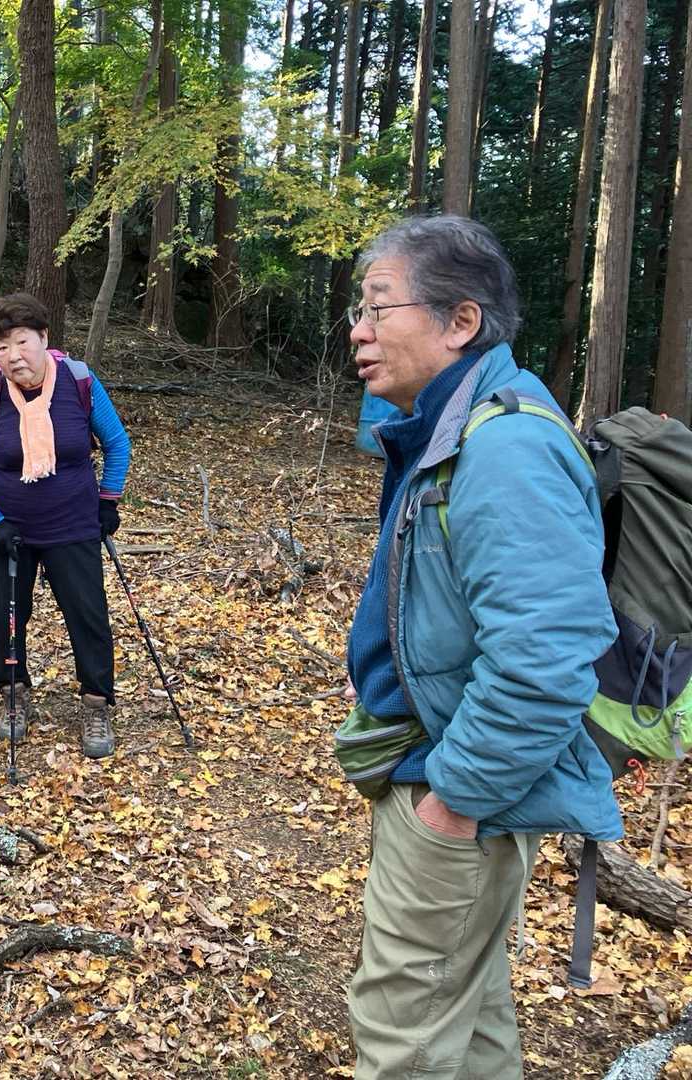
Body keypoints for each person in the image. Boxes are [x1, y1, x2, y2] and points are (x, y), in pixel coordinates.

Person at [340, 216, 619, 1078]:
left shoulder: (506, 448)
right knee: (469, 1011)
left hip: (457, 789)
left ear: (460, 322)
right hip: (444, 770)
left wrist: (454, 799)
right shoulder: (451, 430)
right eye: (358, 309)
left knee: (405, 1030)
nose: (358, 331)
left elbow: (545, 660)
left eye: (379, 307)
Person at [0, 292, 131, 759]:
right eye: (2, 347)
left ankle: (96, 702)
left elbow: (117, 444)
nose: (14, 356)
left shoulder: (79, 381)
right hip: (7, 530)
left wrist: (108, 502)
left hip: (74, 524)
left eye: (22, 342)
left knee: (88, 616)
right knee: (7, 616)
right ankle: (13, 694)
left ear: (44, 338)